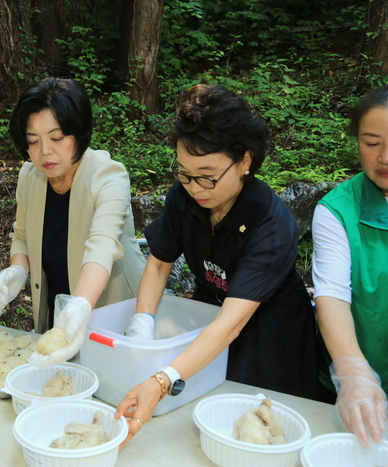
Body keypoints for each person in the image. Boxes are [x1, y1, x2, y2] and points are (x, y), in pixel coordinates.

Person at [116, 84, 317, 444]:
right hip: (211, 316)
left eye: (207, 175)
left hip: (269, 330)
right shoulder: (185, 197)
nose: (195, 187)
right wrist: (141, 325)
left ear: (245, 161)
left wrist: (162, 380)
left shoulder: (270, 224)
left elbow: (232, 324)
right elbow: (160, 264)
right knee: (198, 413)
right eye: (184, 173)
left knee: (260, 425)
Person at [0, 78, 146, 366]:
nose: (45, 151)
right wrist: (18, 268)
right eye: (33, 141)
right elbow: (23, 236)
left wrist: (81, 305)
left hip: (109, 309)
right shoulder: (29, 176)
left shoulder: (108, 176)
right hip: (60, 307)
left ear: (78, 133)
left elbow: (103, 245)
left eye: (57, 137)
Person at [312, 84, 388, 448]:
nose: (384, 157)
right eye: (371, 143)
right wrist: (354, 373)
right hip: (356, 387)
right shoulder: (337, 210)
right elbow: (332, 293)